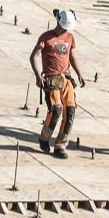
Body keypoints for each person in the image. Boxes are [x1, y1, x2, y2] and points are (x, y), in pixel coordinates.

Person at [29, 10, 81, 158]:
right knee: (56, 109)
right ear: (58, 22)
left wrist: (80, 74)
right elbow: (33, 56)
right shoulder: (46, 37)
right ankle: (44, 138)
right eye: (64, 27)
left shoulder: (70, 37)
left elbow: (72, 56)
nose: (65, 30)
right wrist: (38, 76)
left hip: (67, 79)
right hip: (52, 79)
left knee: (70, 111)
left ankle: (60, 145)